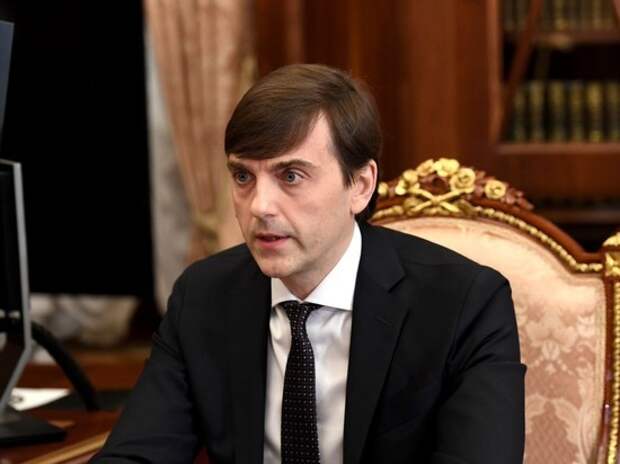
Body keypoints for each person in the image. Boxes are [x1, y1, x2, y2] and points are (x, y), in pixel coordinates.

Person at [94, 64, 525, 463]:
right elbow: (135, 454)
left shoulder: (463, 304)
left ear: (360, 185)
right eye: (243, 176)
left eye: (291, 176)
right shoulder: (203, 296)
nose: (260, 206)